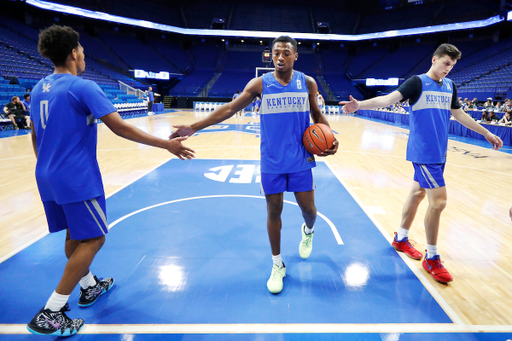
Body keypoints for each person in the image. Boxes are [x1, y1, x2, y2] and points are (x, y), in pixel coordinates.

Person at [26, 25, 195, 337]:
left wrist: (48, 167)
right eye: (82, 50)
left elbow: (35, 134)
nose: (85, 55)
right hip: (76, 177)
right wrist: (167, 145)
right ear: (74, 52)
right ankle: (52, 310)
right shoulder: (82, 87)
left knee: (77, 236)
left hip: (46, 174)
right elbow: (121, 128)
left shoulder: (39, 89)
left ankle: (89, 286)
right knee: (94, 239)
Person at [170, 36, 338, 294]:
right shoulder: (260, 84)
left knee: (310, 210)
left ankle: (308, 230)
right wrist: (193, 127)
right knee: (274, 212)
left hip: (301, 159)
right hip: (271, 161)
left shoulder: (308, 83)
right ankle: (277, 264)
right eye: (275, 53)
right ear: (270, 56)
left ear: (295, 56)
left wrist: (330, 137)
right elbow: (228, 109)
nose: (280, 57)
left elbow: (316, 115)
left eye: (286, 53)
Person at [341, 43, 503, 284]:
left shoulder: (450, 86)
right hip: (423, 153)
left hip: (440, 154)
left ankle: (401, 238)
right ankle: (433, 257)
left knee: (417, 194)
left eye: (452, 65)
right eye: (446, 63)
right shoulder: (417, 82)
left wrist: (486, 133)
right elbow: (387, 99)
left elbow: (459, 114)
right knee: (438, 202)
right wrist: (359, 105)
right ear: (434, 59)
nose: (448, 68)